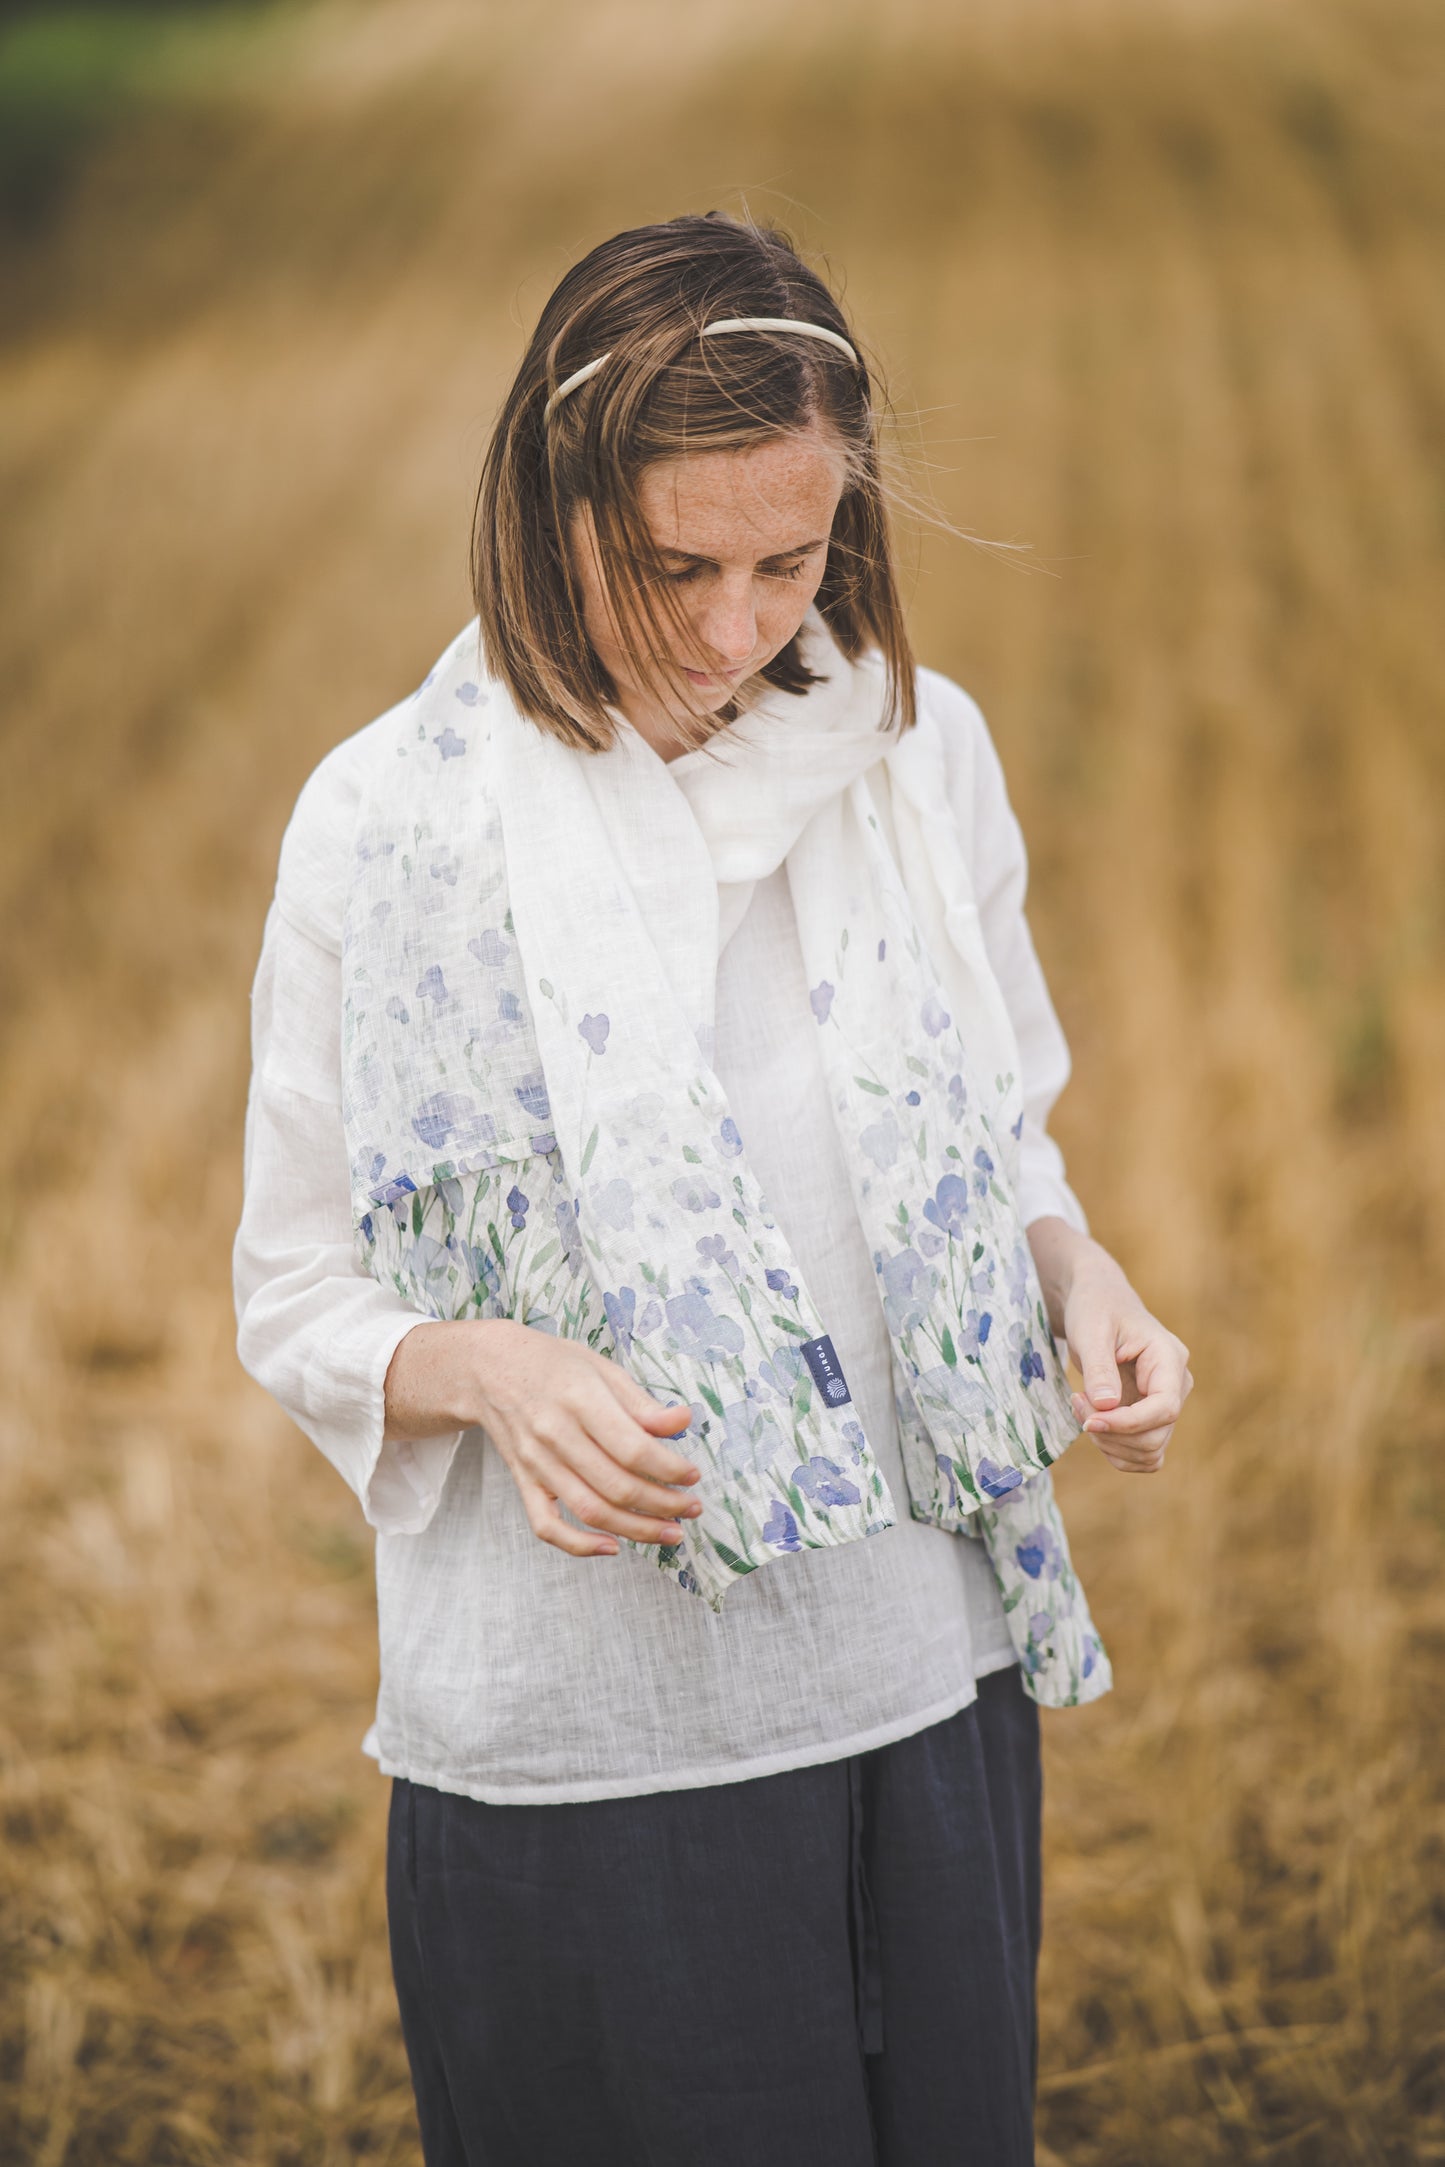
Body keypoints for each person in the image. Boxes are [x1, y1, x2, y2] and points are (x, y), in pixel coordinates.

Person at [234, 210, 1193, 2167]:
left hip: (921, 1690)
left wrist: (1079, 1270)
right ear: (546, 501)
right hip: (590, 1752)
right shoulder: (386, 828)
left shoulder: (921, 758)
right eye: (674, 564)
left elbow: (1008, 1133)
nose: (740, 626)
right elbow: (297, 1290)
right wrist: (493, 1369)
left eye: (794, 557)